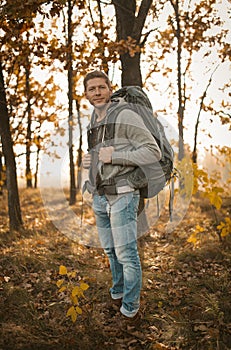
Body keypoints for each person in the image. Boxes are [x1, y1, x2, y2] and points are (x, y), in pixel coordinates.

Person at [82, 70, 161, 329]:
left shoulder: (125, 115)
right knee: (110, 251)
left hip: (124, 195)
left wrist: (113, 156)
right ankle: (118, 296)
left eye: (101, 88)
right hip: (101, 197)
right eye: (91, 89)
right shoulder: (94, 121)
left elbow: (152, 151)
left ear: (109, 88)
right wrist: (90, 162)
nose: (97, 93)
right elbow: (100, 156)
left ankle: (131, 311)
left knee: (126, 254)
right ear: (86, 94)